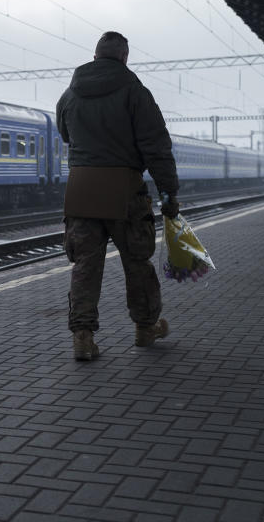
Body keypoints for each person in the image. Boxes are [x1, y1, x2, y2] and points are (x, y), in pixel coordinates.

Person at [55, 32, 180, 361]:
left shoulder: (69, 95)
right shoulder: (135, 92)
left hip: (80, 190)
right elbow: (156, 148)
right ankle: (144, 328)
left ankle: (82, 338)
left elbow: (65, 133)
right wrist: (168, 194)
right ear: (124, 58)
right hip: (124, 190)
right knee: (137, 263)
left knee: (84, 266)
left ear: (94, 57)